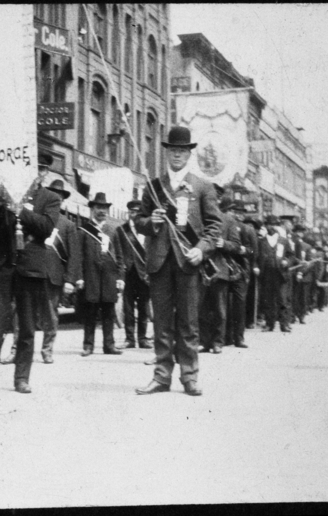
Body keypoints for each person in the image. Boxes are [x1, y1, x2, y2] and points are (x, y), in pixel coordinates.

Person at [134, 126, 222, 397]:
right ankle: (161, 377)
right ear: (167, 152)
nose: (177, 155)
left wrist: (201, 249)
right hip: (160, 263)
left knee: (188, 323)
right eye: (173, 150)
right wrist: (152, 222)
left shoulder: (202, 186)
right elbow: (139, 220)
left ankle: (189, 376)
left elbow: (214, 225)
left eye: (182, 150)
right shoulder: (153, 186)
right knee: (161, 323)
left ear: (189, 154)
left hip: (188, 262)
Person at [0, 177, 61, 397]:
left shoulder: (50, 198)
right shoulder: (8, 193)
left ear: (42, 174)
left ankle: (21, 379)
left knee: (26, 326)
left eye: (39, 170)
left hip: (30, 268)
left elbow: (46, 228)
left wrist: (21, 211)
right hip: (3, 266)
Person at [1, 179, 80, 365]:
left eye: (60, 198)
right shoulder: (33, 216)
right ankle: (16, 350)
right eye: (54, 195)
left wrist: (70, 280)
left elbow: (74, 255)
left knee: (50, 315)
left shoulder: (68, 225)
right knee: (21, 313)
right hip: (30, 269)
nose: (56, 200)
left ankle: (47, 350)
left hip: (52, 275)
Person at [76, 192, 125, 357]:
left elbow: (119, 256)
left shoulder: (113, 230)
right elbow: (78, 256)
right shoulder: (84, 230)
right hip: (91, 278)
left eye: (104, 208)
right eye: (98, 207)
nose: (102, 211)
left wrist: (120, 277)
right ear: (92, 209)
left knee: (109, 313)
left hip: (109, 278)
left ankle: (109, 345)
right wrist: (79, 277)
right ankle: (88, 345)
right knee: (90, 313)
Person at [199, 189, 241, 354]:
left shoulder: (229, 220)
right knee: (201, 308)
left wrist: (224, 243)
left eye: (214, 199)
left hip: (220, 269)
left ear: (218, 201)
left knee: (219, 309)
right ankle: (204, 341)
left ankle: (218, 342)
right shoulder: (198, 217)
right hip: (201, 268)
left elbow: (237, 246)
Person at [114, 199, 152, 350]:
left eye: (137, 212)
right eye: (131, 212)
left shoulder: (147, 229)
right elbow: (119, 254)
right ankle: (130, 339)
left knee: (144, 307)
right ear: (128, 213)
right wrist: (120, 276)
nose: (133, 214)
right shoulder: (121, 230)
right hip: (128, 272)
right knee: (128, 307)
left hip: (144, 272)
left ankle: (142, 338)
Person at [225, 200, 256, 348]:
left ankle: (239, 337)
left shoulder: (247, 230)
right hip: (224, 267)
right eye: (235, 212)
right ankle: (226, 336)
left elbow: (253, 251)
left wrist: (243, 250)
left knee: (239, 304)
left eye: (240, 213)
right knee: (223, 304)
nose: (237, 215)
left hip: (240, 269)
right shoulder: (224, 225)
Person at [258, 215, 295, 333]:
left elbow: (291, 255)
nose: (271, 227)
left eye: (274, 225)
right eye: (269, 224)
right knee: (268, 300)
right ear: (266, 226)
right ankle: (270, 324)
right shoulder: (262, 241)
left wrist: (287, 261)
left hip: (281, 274)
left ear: (277, 226)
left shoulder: (283, 241)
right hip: (267, 274)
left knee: (283, 299)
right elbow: (256, 256)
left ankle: (284, 324)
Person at [290, 224, 311, 324]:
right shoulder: (291, 243)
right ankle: (292, 315)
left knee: (303, 297)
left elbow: (309, 263)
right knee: (294, 295)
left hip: (304, 276)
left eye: (301, 232)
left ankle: (301, 316)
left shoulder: (307, 246)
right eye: (297, 232)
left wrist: (301, 272)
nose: (299, 234)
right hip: (293, 274)